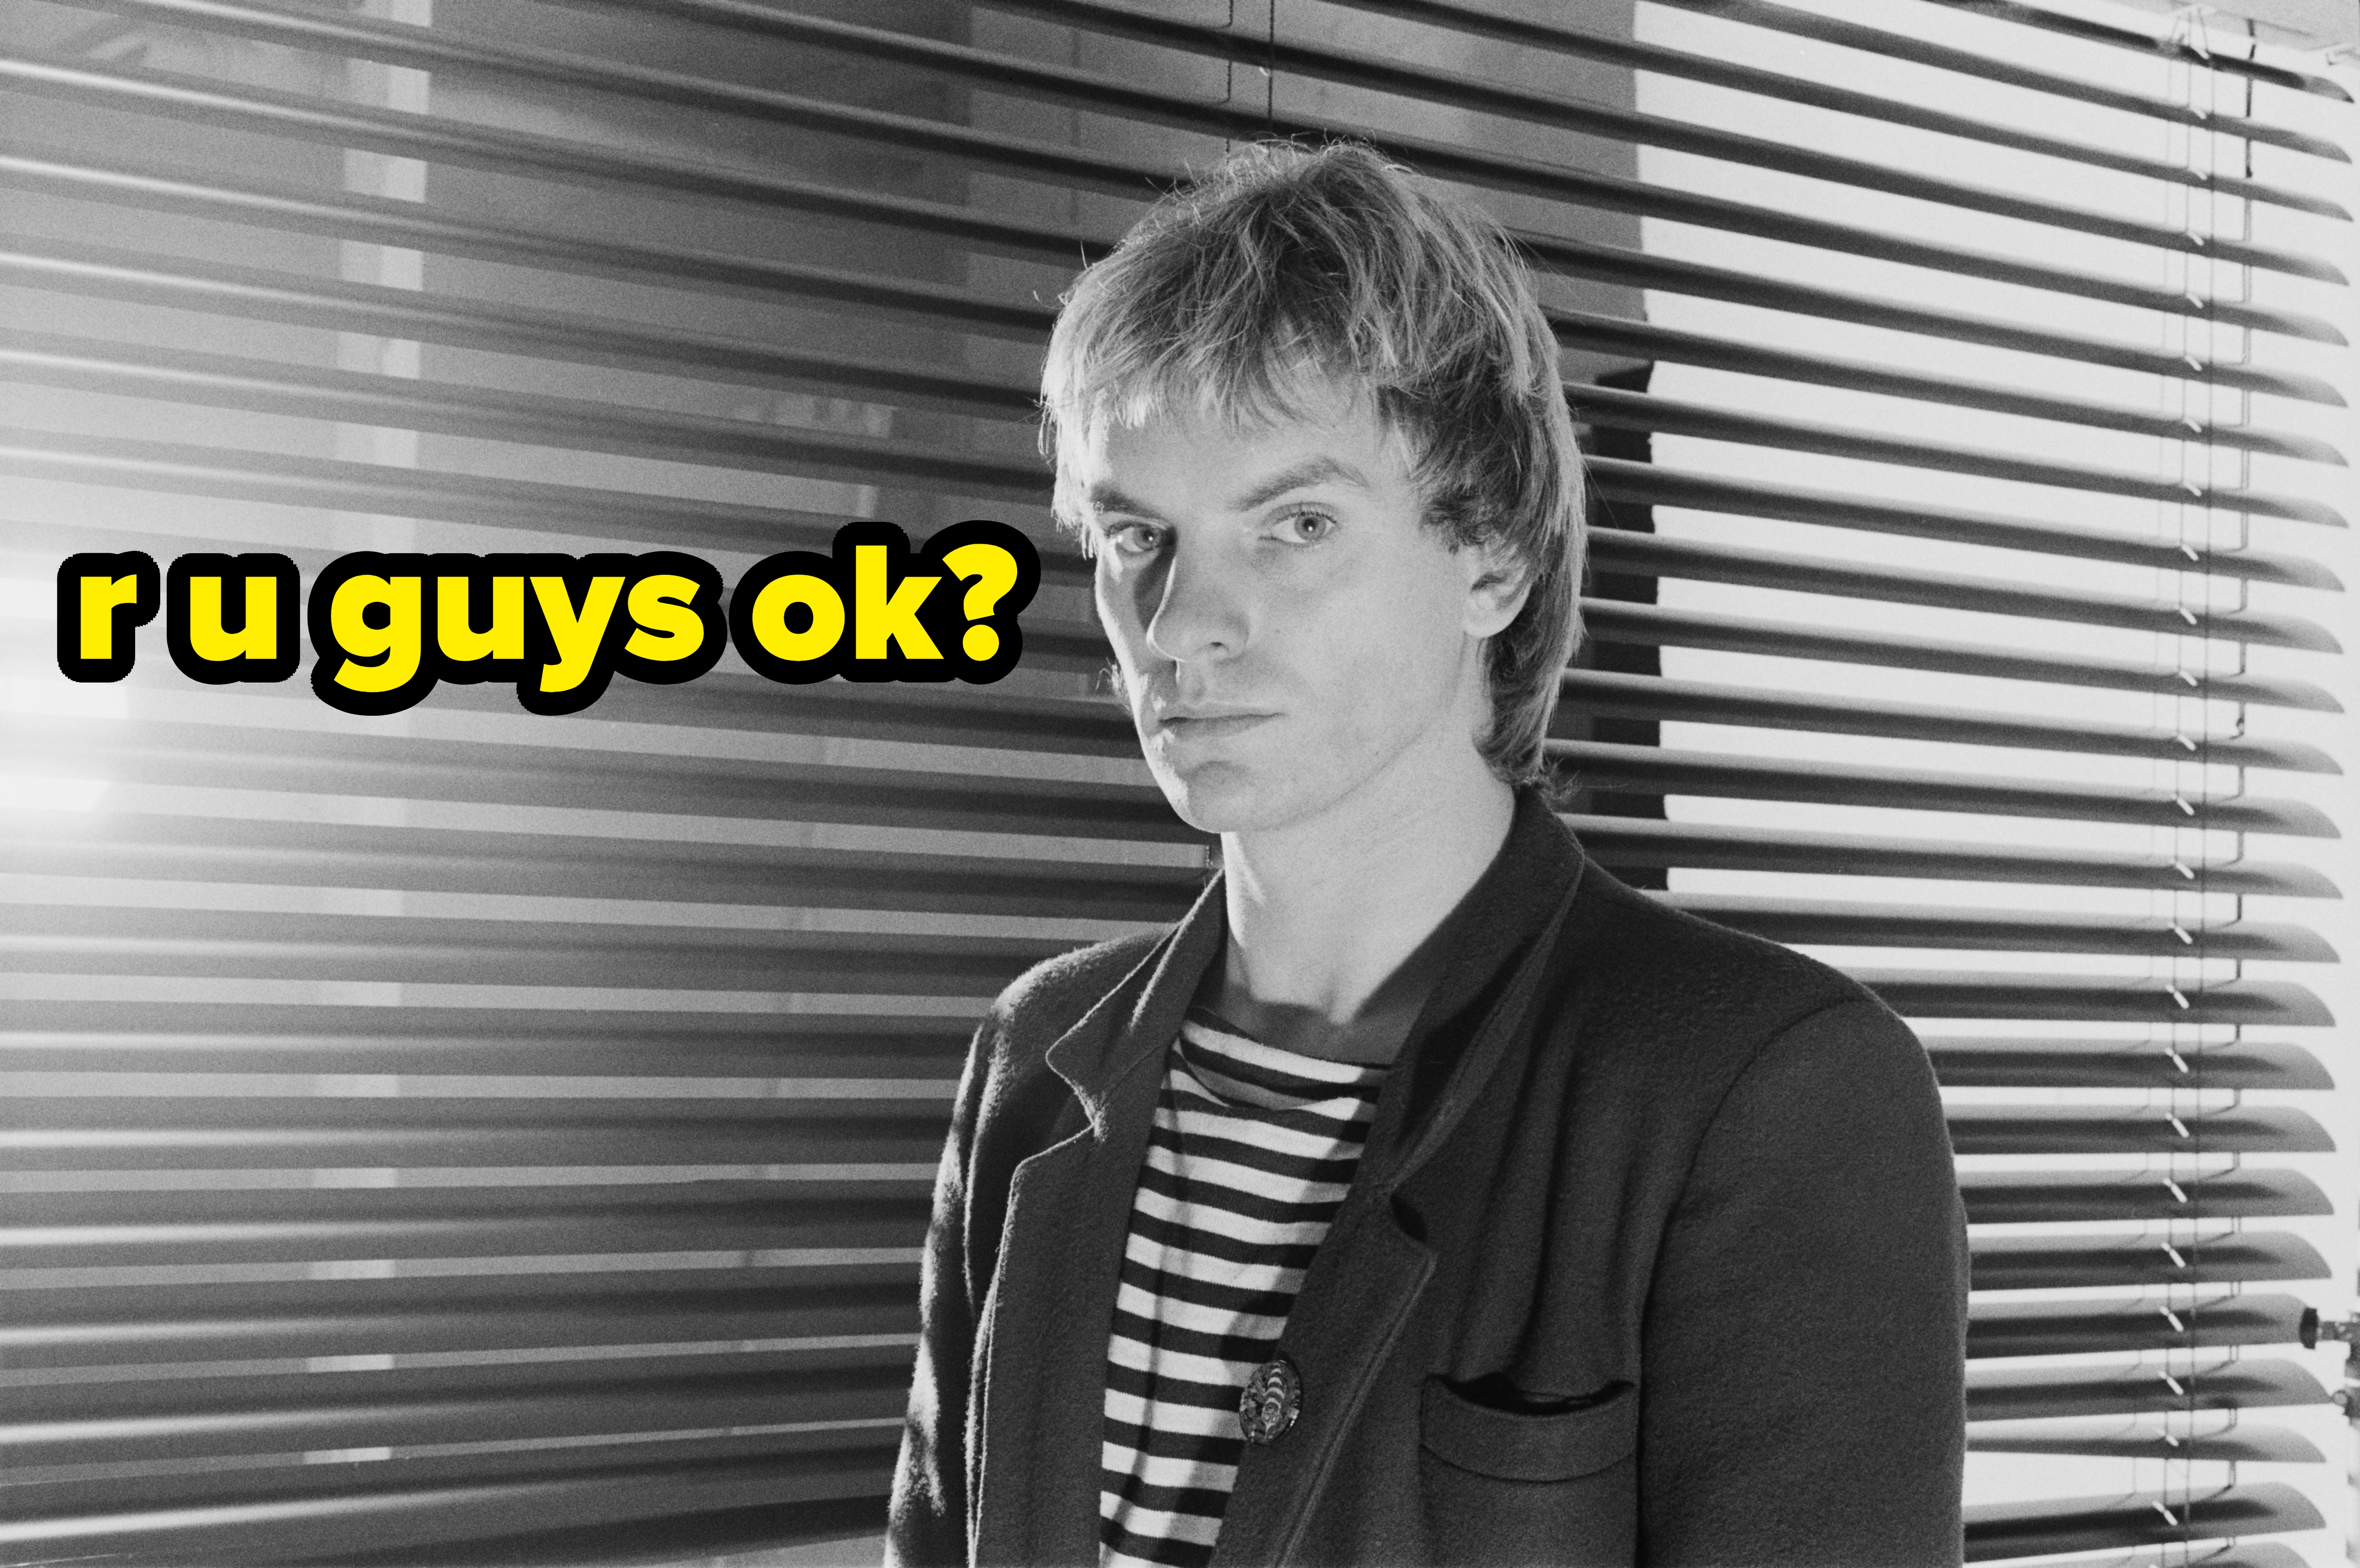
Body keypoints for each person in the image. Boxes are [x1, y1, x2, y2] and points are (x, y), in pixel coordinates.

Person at [885, 139, 1967, 1568]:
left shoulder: (1768, 1093)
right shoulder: (1036, 1057)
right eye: (1138, 534)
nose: (1181, 622)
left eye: (1297, 524)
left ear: (1493, 557)